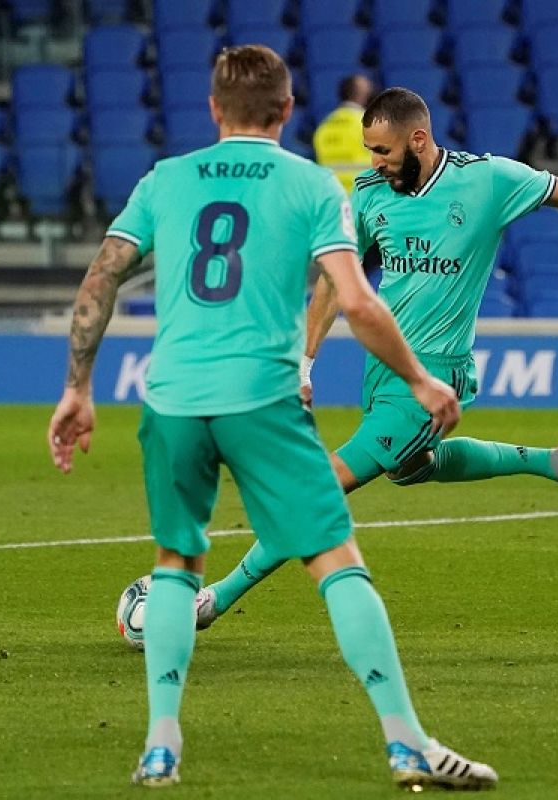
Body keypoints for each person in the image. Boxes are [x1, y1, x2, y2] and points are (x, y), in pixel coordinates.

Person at [47, 46, 498, 790]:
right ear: (287, 111)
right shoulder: (313, 185)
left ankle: (161, 744)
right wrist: (419, 377)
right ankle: (406, 742)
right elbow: (356, 300)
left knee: (175, 562)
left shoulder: (167, 179)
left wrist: (76, 387)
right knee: (336, 561)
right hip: (262, 397)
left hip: (173, 397)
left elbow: (101, 279)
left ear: (214, 109)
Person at [195, 87, 558, 629]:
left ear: (418, 139)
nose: (374, 162)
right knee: (409, 471)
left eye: (383, 151)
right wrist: (303, 364)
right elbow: (333, 283)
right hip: (383, 369)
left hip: (434, 378)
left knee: (318, 486)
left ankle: (211, 600)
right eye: (370, 150)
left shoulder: (487, 180)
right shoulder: (369, 194)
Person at [313, 74, 375, 193]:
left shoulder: (324, 126)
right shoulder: (369, 124)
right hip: (362, 196)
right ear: (363, 95)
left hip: (332, 195)